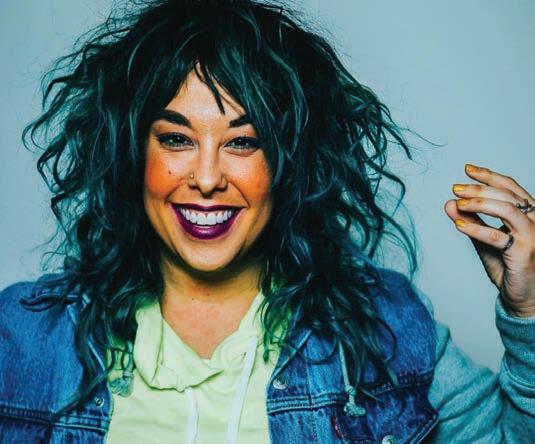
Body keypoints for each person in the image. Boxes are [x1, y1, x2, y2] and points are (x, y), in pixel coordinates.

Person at [0, 0, 534, 442]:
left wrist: (527, 308)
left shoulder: (386, 328)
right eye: (177, 139)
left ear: (288, 163)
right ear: (133, 153)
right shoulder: (21, 337)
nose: (206, 178)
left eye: (243, 142)